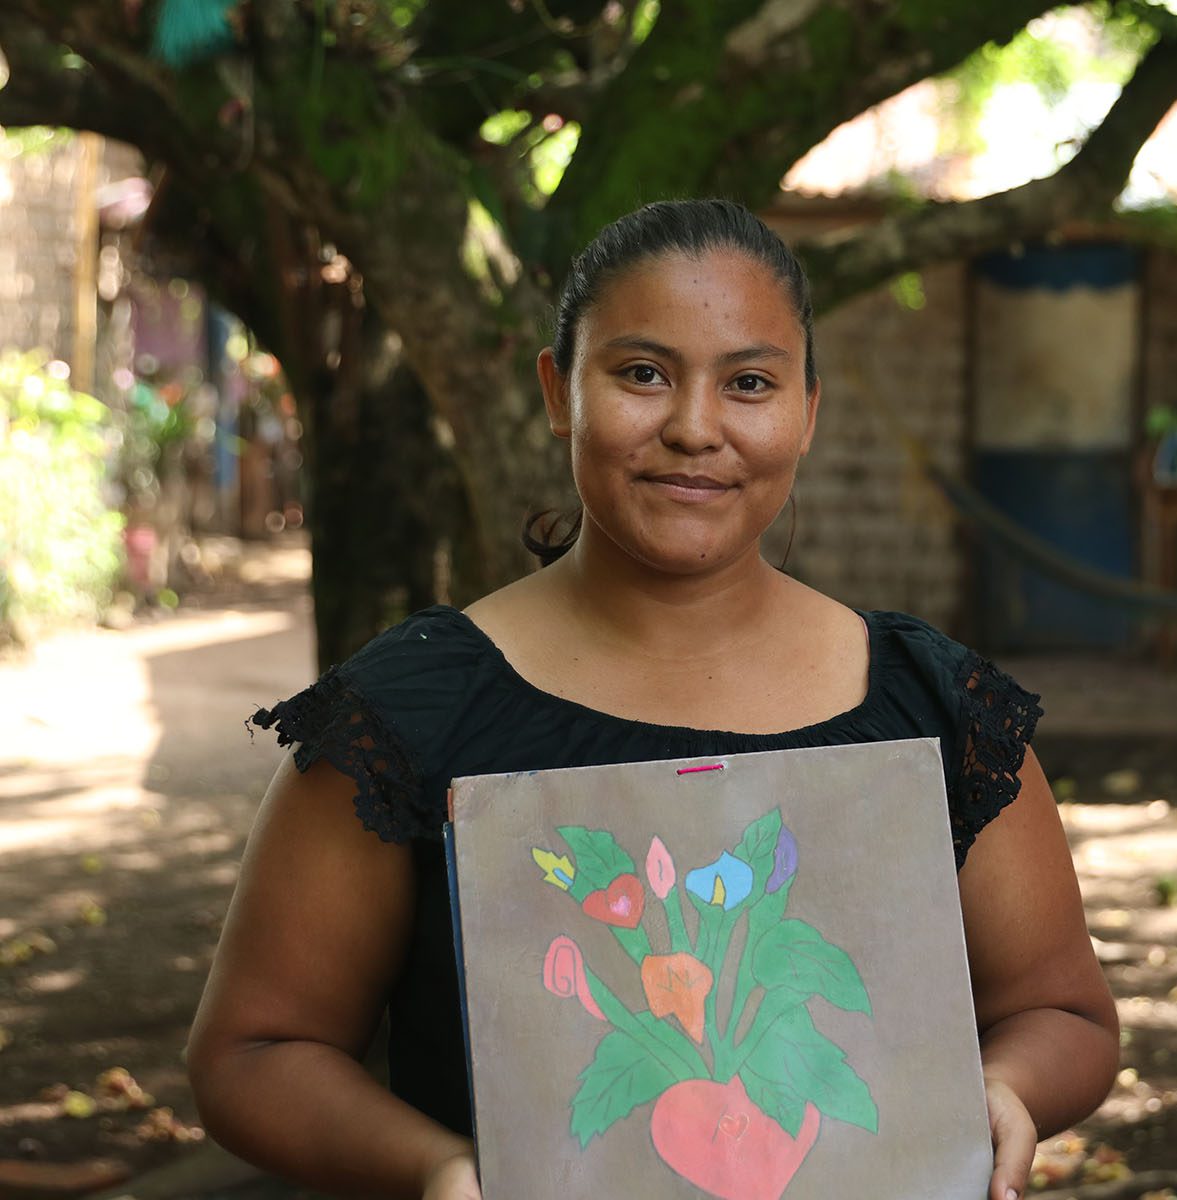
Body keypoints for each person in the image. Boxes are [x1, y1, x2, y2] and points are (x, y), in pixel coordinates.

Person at [186, 199, 1119, 1200]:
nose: (692, 428)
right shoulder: (406, 717)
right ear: (558, 391)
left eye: (749, 383)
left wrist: (1003, 1091)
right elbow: (254, 1052)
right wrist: (444, 1170)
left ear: (809, 411)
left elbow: (1065, 1015)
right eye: (641, 374)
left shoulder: (937, 709)